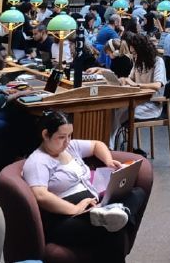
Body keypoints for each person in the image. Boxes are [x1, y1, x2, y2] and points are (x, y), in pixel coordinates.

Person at [22, 111, 145, 262]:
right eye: (61, 137)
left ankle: (115, 213)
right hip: (64, 219)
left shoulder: (70, 147)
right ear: (46, 134)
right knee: (114, 231)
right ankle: (115, 214)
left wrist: (108, 161)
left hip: (92, 206)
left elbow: (96, 145)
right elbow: (40, 195)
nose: (67, 141)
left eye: (69, 136)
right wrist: (74, 209)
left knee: (138, 193)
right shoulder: (37, 161)